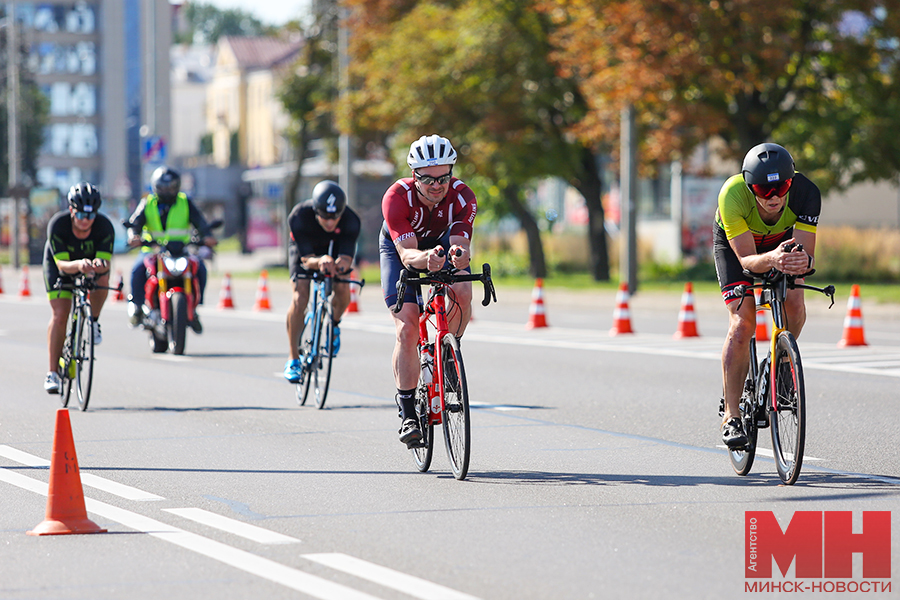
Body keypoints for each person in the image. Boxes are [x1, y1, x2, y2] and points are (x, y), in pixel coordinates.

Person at [714, 142, 820, 447]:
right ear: (750, 187)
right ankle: (732, 415)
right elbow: (746, 261)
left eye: (782, 187)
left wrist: (804, 261)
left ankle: (782, 364)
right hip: (739, 249)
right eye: (763, 190)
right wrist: (771, 259)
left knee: (795, 306)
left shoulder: (806, 193)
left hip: (781, 244)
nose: (773, 197)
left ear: (792, 180)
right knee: (742, 324)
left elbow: (807, 257)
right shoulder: (732, 195)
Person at [379, 134, 478, 445]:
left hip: (440, 248)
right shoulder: (397, 197)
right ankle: (408, 412)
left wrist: (459, 255)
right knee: (407, 328)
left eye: (443, 177)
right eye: (427, 179)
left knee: (463, 290)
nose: (437, 185)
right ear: (414, 176)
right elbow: (408, 255)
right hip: (402, 252)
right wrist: (427, 259)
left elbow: (461, 244)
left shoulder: (463, 197)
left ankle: (449, 354)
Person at [284, 180, 361, 383]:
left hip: (333, 250)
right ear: (315, 210)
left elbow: (346, 259)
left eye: (334, 217)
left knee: (344, 286)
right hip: (306, 252)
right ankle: (293, 358)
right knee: (300, 296)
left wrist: (339, 267)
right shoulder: (299, 216)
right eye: (325, 217)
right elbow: (306, 260)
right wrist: (320, 262)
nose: (330, 222)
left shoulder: (351, 220)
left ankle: (334, 324)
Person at [42, 182, 115, 393]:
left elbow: (105, 261)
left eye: (91, 217)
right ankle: (52, 373)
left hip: (89, 266)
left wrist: (98, 265)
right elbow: (62, 265)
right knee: (60, 314)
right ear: (72, 211)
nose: (86, 221)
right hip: (62, 266)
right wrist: (80, 265)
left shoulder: (104, 226)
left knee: (103, 279)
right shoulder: (58, 225)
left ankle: (93, 321)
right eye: (82, 215)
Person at [125, 165, 217, 332]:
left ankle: (194, 308)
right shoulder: (148, 203)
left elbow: (201, 223)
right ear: (155, 187)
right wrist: (134, 236)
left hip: (181, 251)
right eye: (163, 187)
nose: (167, 191)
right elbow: (135, 223)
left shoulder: (185, 202)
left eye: (171, 187)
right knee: (137, 270)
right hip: (152, 251)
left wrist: (208, 236)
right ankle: (137, 307)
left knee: (201, 268)